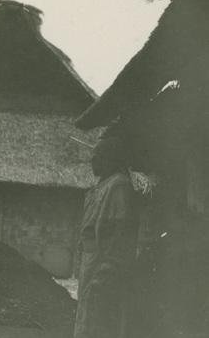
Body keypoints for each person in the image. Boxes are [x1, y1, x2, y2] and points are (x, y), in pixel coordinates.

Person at [74, 137, 140, 338]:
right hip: (90, 261)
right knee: (87, 315)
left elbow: (121, 232)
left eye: (99, 156)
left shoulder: (119, 186)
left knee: (101, 317)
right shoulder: (101, 185)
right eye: (93, 156)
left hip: (104, 264)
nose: (93, 161)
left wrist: (107, 267)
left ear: (111, 158)